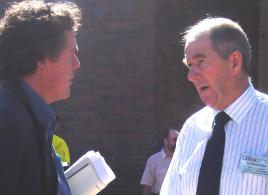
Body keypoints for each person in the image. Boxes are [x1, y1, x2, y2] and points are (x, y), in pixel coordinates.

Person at [160, 17, 268, 195]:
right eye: (190, 65)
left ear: (234, 62)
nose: (191, 75)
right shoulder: (191, 128)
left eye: (200, 62)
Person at [0, 1, 81, 195]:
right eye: (71, 54)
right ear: (42, 59)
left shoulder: (28, 116)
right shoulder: (7, 121)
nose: (77, 64)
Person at [141, 129, 179, 195]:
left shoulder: (183, 160)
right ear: (166, 141)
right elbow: (147, 186)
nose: (177, 143)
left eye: (179, 140)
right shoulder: (154, 160)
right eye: (174, 140)